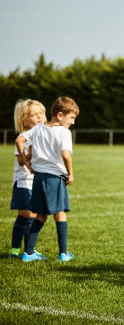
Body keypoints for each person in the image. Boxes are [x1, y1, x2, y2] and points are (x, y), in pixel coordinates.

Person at [15, 96, 79, 262]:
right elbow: (65, 154)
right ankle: (64, 254)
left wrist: (26, 160)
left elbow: (20, 139)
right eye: (71, 118)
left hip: (38, 178)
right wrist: (70, 173)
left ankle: (28, 253)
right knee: (61, 213)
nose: (72, 122)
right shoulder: (64, 132)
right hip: (54, 178)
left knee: (41, 215)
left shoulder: (38, 128)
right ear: (59, 115)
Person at [9, 99, 46, 259]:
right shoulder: (24, 136)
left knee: (27, 216)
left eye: (42, 114)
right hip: (24, 182)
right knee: (28, 215)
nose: (40, 117)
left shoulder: (40, 135)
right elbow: (20, 160)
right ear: (24, 119)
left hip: (34, 183)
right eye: (35, 115)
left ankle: (22, 250)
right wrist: (28, 156)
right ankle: (22, 250)